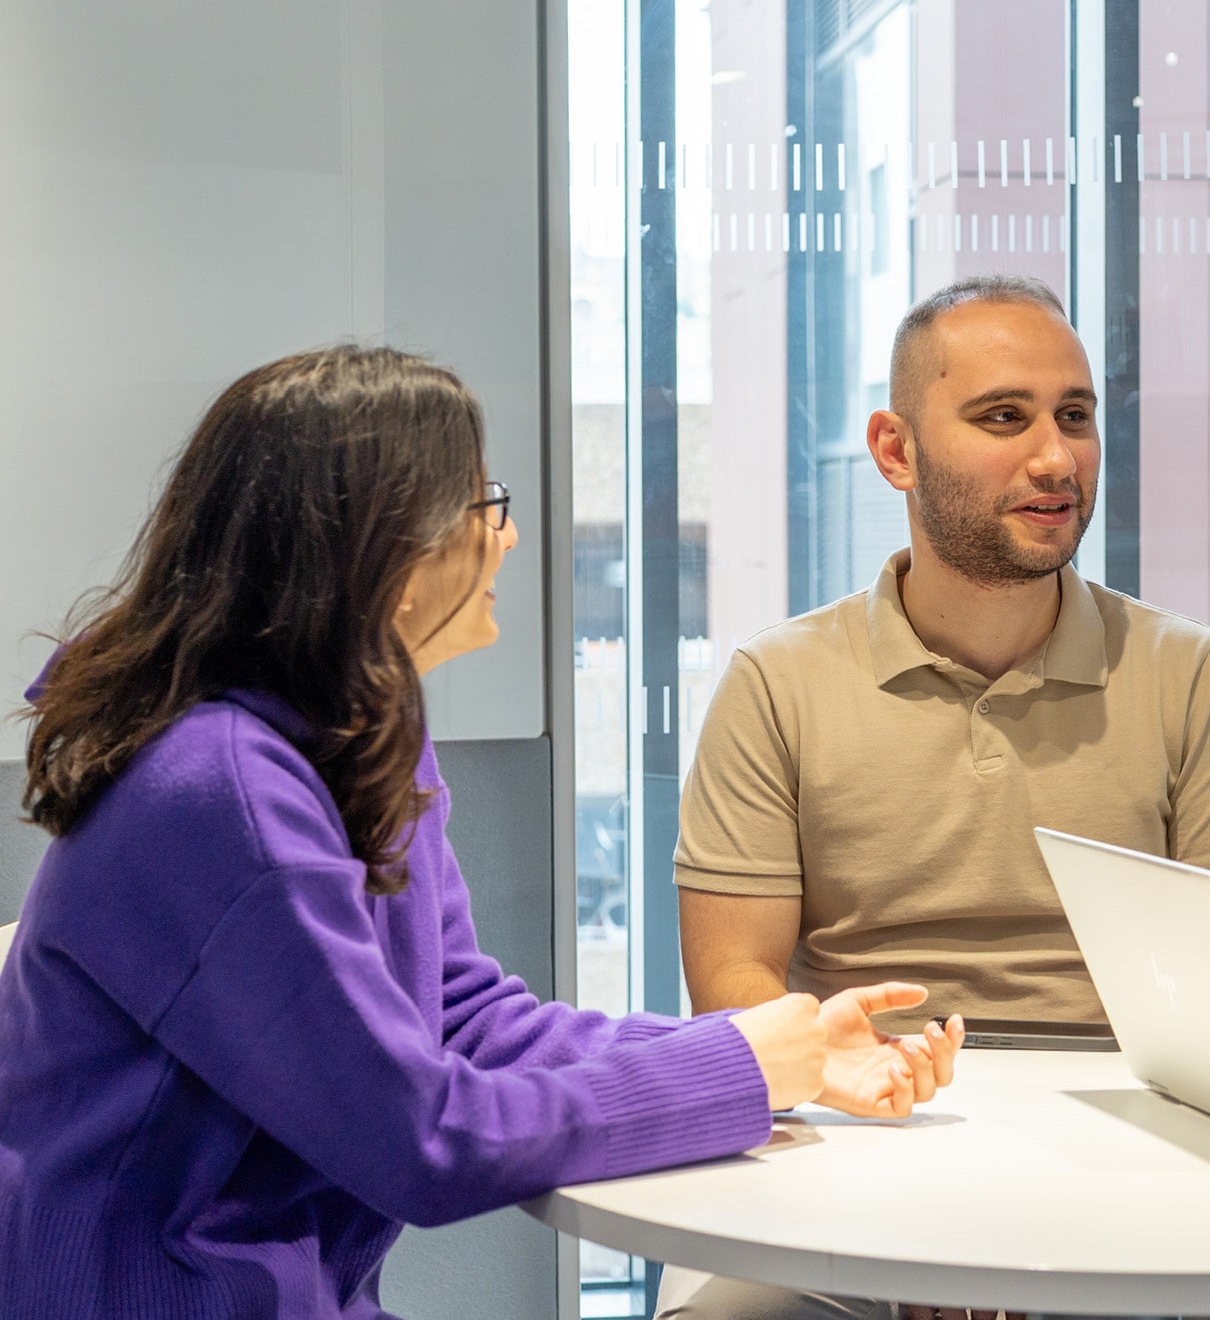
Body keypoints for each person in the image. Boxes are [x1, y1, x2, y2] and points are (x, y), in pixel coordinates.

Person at [0, 346, 962, 1318]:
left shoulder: (365, 732)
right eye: (478, 502)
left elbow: (467, 1017)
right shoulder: (216, 791)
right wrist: (739, 1068)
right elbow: (421, 1140)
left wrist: (753, 1053)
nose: (504, 534)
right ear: (375, 543)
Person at [662, 277, 1210, 1318]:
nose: (1055, 457)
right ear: (894, 449)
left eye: (1075, 417)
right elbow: (733, 983)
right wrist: (882, 1141)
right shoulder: (776, 680)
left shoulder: (1187, 671)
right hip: (859, 1126)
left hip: (1135, 1140)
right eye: (1003, 417)